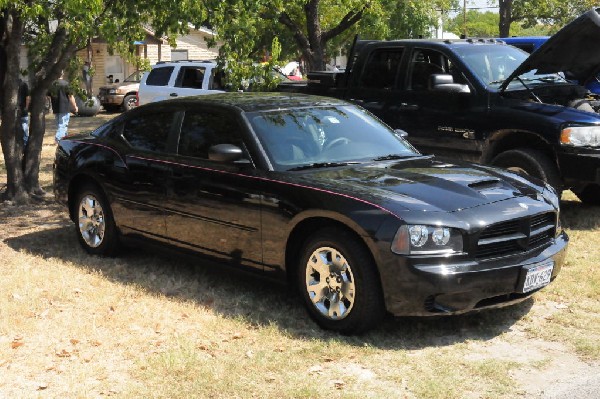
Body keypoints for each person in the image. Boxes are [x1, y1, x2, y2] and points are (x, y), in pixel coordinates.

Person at [48, 73, 78, 143]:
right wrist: (75, 107)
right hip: (64, 108)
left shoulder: (52, 85)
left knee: (60, 125)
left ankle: (65, 139)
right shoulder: (66, 84)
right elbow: (71, 97)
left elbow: (48, 96)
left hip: (55, 108)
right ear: (62, 74)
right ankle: (58, 140)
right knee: (63, 125)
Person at [18, 79, 30, 146]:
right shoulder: (23, 83)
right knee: (25, 126)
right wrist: (26, 107)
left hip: (13, 111)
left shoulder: (7, 83)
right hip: (23, 109)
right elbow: (27, 97)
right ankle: (25, 142)